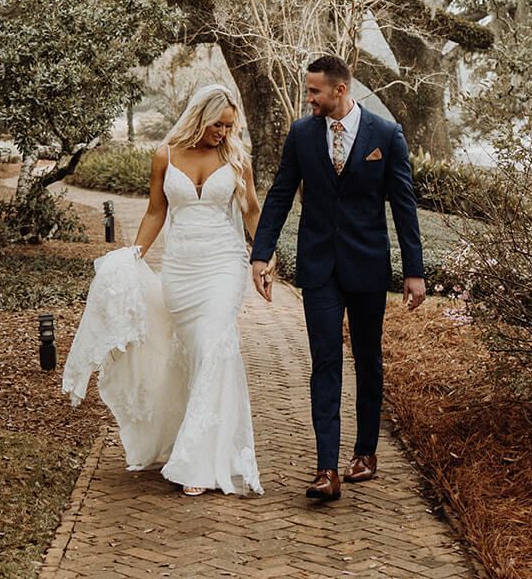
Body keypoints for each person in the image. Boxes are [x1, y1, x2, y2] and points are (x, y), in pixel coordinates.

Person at [63, 83, 264, 498]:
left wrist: (263, 257)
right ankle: (189, 436)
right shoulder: (165, 156)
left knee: (214, 346)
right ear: (199, 117)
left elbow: (251, 211)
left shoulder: (236, 158)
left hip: (224, 265)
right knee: (192, 353)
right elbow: (157, 210)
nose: (223, 134)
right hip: (181, 270)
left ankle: (201, 461)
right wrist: (135, 253)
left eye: (229, 127)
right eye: (217, 125)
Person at [249, 54, 426, 502]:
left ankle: (365, 453)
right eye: (308, 91)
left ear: (339, 90)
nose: (308, 98)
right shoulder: (302, 134)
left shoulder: (385, 135)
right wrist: (261, 254)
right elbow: (280, 194)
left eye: (314, 91)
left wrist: (414, 270)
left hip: (367, 266)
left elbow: (403, 206)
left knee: (367, 361)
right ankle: (326, 468)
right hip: (319, 268)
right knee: (325, 362)